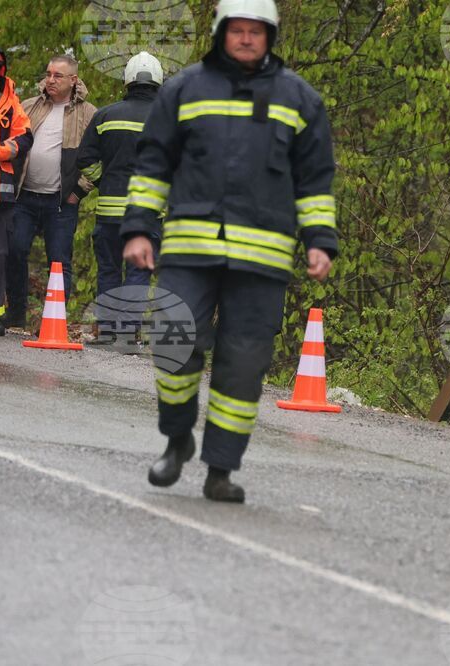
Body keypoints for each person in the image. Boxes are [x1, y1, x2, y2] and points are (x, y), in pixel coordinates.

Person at [121, 0, 339, 502]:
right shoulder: (183, 89)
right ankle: (177, 439)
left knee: (243, 365)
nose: (245, 38)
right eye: (236, 30)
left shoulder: (299, 99)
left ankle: (220, 470)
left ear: (270, 37)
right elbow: (152, 166)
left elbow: (315, 181)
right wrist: (138, 230)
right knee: (175, 341)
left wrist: (320, 241)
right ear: (221, 33)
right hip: (189, 250)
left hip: (261, 261)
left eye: (255, 31)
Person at [5, 55, 96, 328]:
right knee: (14, 250)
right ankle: (17, 313)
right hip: (25, 197)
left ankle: (53, 322)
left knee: (59, 261)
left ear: (73, 80)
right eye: (48, 74)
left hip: (61, 202)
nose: (51, 79)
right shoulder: (29, 106)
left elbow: (97, 158)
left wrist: (78, 192)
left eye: (58, 75)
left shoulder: (89, 113)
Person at [77, 52, 163, 302]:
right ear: (159, 82)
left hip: (109, 213)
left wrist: (104, 181)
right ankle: (127, 332)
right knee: (138, 272)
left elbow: (84, 159)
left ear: (126, 81)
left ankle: (108, 328)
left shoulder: (105, 115)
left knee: (109, 271)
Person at [0, 48, 34, 336]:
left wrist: (0, 151)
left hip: (2, 192)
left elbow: (24, 137)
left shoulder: (12, 104)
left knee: (1, 254)